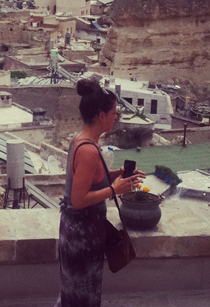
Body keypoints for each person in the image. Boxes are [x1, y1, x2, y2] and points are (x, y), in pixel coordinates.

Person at [55, 78, 144, 307]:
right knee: (81, 297)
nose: (116, 117)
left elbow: (91, 179)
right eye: (114, 112)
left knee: (74, 294)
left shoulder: (82, 140)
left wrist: (117, 174)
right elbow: (78, 199)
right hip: (82, 236)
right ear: (101, 116)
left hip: (80, 233)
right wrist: (114, 190)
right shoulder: (89, 151)